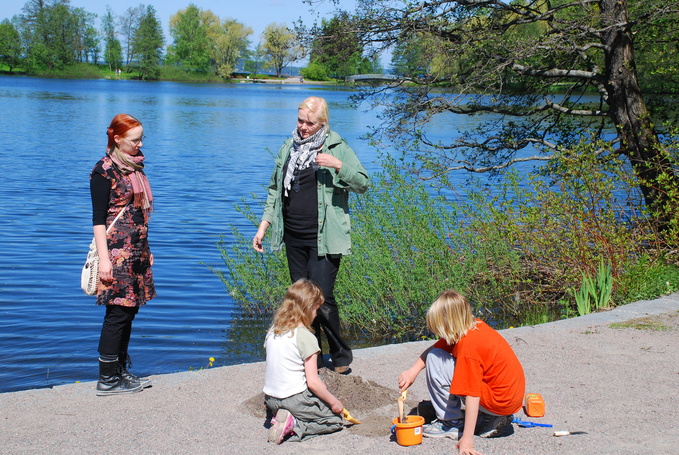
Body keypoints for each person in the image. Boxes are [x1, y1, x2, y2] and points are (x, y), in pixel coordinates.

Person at [253, 96, 369, 374]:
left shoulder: (336, 147)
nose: (303, 127)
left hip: (324, 238)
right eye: (300, 121)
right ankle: (312, 358)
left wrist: (338, 165)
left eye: (310, 123)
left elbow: (363, 182)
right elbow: (274, 190)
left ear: (323, 123)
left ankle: (340, 355)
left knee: (322, 298)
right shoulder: (288, 147)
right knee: (302, 300)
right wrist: (264, 226)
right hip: (293, 235)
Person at [397, 290, 525, 455]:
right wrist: (412, 371)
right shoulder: (473, 326)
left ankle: (452, 423)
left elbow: (471, 393)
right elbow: (435, 348)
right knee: (435, 354)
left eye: (438, 328)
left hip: (498, 401)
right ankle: (488, 417)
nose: (436, 333)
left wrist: (467, 438)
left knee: (436, 360)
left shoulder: (468, 348)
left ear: (449, 324)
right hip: (507, 398)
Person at [90, 113, 156, 396]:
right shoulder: (104, 170)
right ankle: (107, 379)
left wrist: (147, 250)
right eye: (134, 140)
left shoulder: (134, 167)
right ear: (117, 139)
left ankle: (119, 370)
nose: (140, 144)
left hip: (136, 251)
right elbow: (98, 220)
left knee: (129, 311)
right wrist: (105, 260)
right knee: (117, 312)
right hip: (116, 253)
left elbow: (139, 214)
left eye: (141, 138)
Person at [263, 279, 345, 444]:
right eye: (316, 309)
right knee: (334, 420)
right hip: (293, 398)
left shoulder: (273, 330)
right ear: (308, 308)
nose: (316, 314)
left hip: (270, 398)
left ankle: (280, 415)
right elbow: (313, 382)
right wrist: (334, 402)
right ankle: (295, 424)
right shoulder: (306, 337)